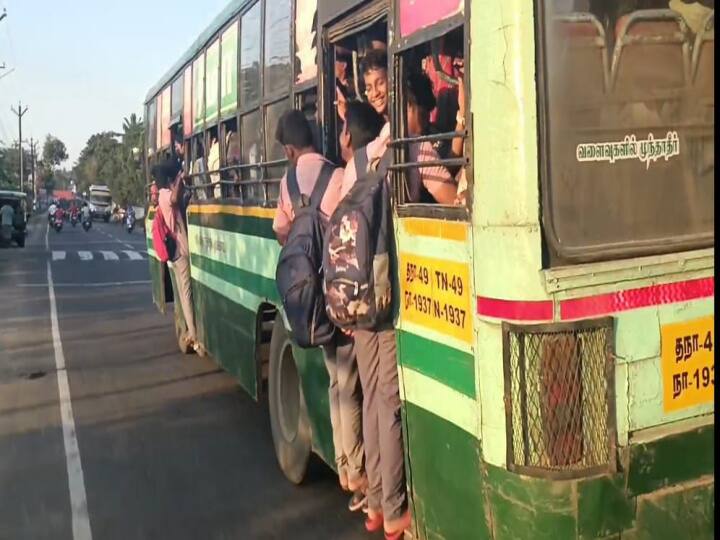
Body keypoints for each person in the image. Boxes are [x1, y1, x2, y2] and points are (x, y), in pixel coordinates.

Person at [272, 110, 367, 510]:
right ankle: (357, 471)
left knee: (335, 382)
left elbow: (280, 230)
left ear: (290, 149)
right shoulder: (339, 174)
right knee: (350, 383)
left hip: (307, 293)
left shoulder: (288, 181)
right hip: (338, 291)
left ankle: (344, 467)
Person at [336, 101, 411, 539]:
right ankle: (395, 508)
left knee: (368, 398)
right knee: (389, 402)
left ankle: (377, 504)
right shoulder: (389, 148)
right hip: (385, 299)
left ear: (351, 135)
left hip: (356, 301)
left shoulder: (350, 170)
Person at [154, 159, 202, 355]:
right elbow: (174, 200)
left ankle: (191, 332)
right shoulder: (165, 194)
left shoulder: (160, 195)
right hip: (180, 251)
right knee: (187, 294)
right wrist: (181, 179)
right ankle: (195, 335)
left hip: (174, 252)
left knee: (184, 294)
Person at [405, 71, 460, 205]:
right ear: (408, 106)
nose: (425, 123)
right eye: (422, 115)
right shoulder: (416, 145)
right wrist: (461, 120)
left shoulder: (434, 136)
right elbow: (455, 202)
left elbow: (446, 168)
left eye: (427, 115)